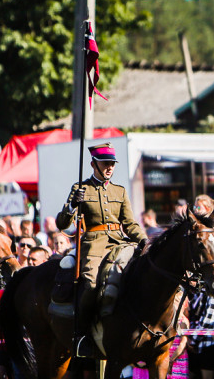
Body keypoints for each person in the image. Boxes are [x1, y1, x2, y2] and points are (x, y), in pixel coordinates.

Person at [55, 143, 146, 358]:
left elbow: (130, 224)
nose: (109, 168)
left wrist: (144, 241)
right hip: (94, 244)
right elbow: (61, 224)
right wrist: (71, 207)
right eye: (105, 163)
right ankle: (82, 334)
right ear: (93, 164)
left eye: (112, 164)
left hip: (119, 243)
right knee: (91, 283)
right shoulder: (80, 188)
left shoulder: (120, 191)